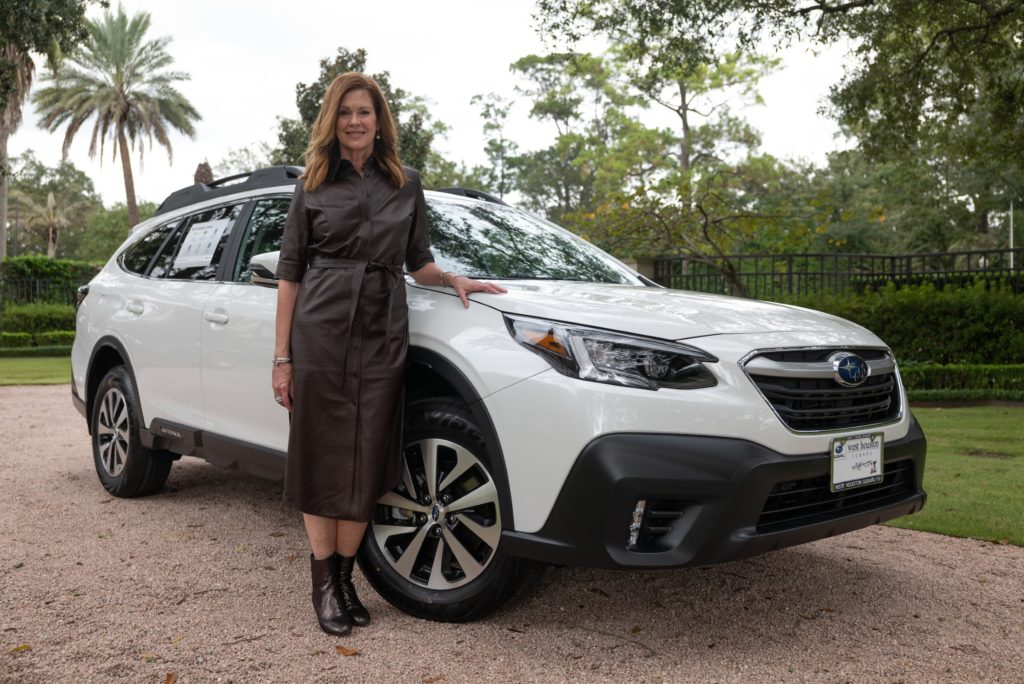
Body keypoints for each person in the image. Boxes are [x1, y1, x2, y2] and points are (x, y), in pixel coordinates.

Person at [271, 72, 505, 636]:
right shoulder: (314, 182)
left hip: (382, 329)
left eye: (365, 112)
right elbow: (289, 272)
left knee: (369, 455)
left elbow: (417, 260)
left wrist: (451, 279)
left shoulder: (406, 183)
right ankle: (324, 584)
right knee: (320, 455)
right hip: (321, 328)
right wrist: (283, 358)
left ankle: (346, 578)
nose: (355, 121)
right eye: (346, 111)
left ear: (380, 122)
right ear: (334, 120)